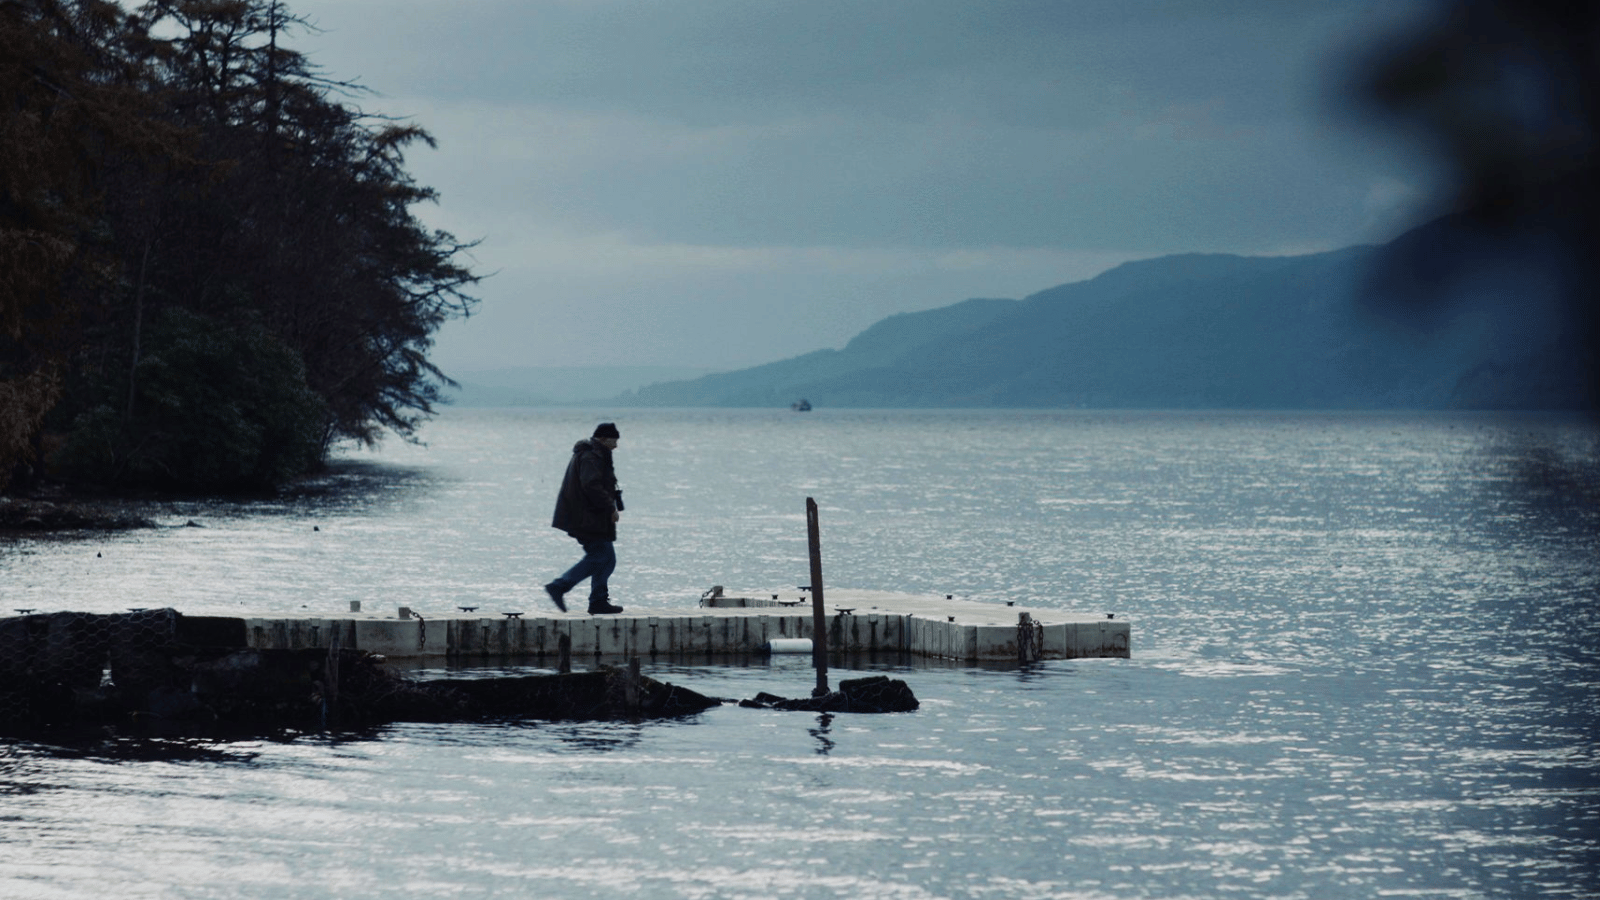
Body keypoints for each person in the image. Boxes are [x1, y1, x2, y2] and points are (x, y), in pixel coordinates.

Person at [545, 422, 626, 615]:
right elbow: (591, 486)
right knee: (600, 556)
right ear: (604, 439)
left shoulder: (597, 454)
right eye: (614, 440)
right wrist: (610, 508)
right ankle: (560, 585)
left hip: (590, 517)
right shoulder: (591, 456)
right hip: (586, 518)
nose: (616, 445)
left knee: (606, 559)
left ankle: (598, 601)